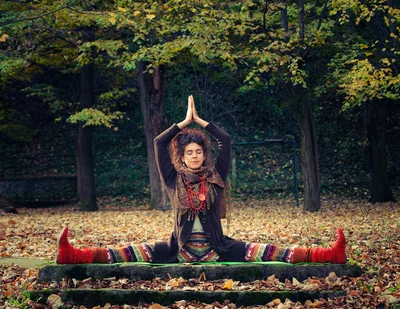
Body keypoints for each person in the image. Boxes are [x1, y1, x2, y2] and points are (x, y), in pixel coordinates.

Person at [57, 96, 346, 265]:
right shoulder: (173, 178)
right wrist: (184, 122)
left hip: (217, 249)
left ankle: (328, 255)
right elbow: (159, 142)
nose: (194, 156)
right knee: (130, 252)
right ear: (181, 157)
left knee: (268, 251)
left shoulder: (216, 174)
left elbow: (226, 139)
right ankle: (73, 256)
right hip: (178, 250)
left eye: (198, 152)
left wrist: (201, 121)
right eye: (189, 152)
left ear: (204, 154)